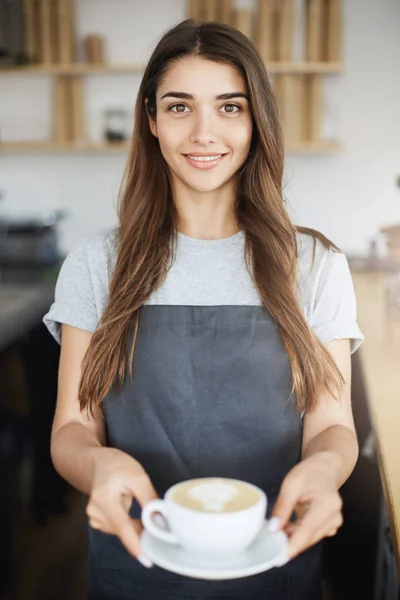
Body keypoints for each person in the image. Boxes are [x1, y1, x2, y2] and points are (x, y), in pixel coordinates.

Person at [43, 18, 364, 600]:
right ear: (152, 121)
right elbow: (73, 425)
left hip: (277, 562)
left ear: (256, 119)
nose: (205, 133)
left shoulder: (314, 263)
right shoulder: (99, 262)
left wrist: (323, 470)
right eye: (180, 106)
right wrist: (97, 467)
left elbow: (332, 426)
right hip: (135, 564)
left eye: (230, 107)